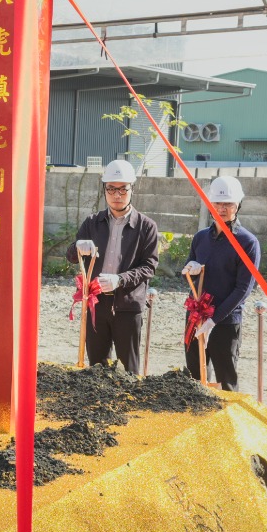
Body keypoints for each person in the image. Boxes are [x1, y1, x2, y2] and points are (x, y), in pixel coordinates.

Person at [63, 159, 160, 373]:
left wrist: (120, 280)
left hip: (128, 305)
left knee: (129, 369)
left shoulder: (146, 227)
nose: (117, 194)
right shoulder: (92, 223)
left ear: (132, 189)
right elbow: (71, 256)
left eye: (123, 189)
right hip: (96, 303)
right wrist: (77, 247)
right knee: (97, 367)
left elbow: (149, 266)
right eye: (111, 189)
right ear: (104, 190)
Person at [181, 175, 259, 390]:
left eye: (228, 204)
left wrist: (213, 320)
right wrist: (191, 270)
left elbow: (243, 288)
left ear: (238, 205)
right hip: (196, 317)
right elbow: (186, 273)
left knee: (226, 381)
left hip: (225, 321)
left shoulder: (247, 242)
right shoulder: (200, 238)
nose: (222, 209)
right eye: (217, 203)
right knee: (194, 379)